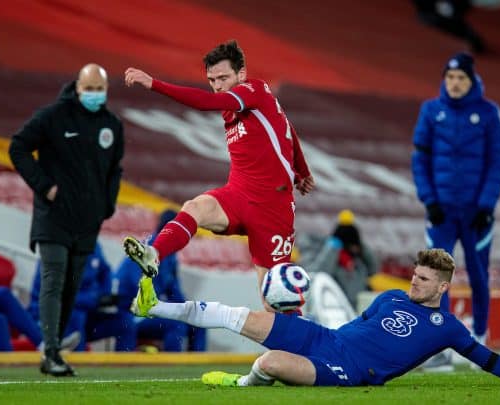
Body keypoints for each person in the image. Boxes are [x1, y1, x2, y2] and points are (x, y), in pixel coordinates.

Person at [129, 248, 500, 387]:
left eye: (423, 280)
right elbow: (361, 324)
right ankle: (153, 305)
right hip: (327, 339)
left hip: (349, 370)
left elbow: (487, 360)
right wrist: (310, 328)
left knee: (269, 363)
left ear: (443, 287)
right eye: (414, 275)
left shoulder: (446, 328)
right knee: (233, 314)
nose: (413, 284)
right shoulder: (391, 296)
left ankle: (242, 386)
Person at [122, 40, 314, 312]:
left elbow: (206, 102)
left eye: (224, 78)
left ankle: (304, 352)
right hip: (237, 194)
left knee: (275, 302)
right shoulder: (246, 107)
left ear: (241, 74)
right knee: (195, 207)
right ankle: (154, 254)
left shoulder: (253, 89)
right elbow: (287, 127)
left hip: (272, 209)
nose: (218, 85)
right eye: (212, 79)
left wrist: (154, 83)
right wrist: (302, 170)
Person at [8, 63, 124, 376]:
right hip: (53, 219)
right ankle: (50, 348)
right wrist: (44, 187)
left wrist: (107, 206)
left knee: (71, 287)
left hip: (87, 223)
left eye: (100, 90)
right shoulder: (52, 117)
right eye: (90, 89)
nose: (95, 95)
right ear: (77, 87)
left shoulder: (112, 126)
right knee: (54, 279)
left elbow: (115, 170)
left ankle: (53, 349)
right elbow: (17, 147)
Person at [411, 52, 500, 369]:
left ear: (471, 80)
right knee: (435, 277)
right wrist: (430, 200)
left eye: (460, 78)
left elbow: (497, 162)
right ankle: (440, 345)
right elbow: (420, 158)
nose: (454, 83)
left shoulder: (489, 113)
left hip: (476, 214)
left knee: (478, 274)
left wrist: (486, 205)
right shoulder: (431, 110)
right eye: (449, 77)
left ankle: (480, 338)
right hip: (441, 212)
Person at [114, 209, 206, 351]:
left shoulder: (170, 256)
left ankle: (198, 370)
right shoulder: (145, 251)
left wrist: (188, 310)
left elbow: (174, 292)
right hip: (135, 312)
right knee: (175, 325)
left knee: (199, 322)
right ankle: (172, 370)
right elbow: (135, 290)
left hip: (156, 309)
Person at [29, 242, 136, 352]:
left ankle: (127, 367)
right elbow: (59, 296)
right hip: (49, 319)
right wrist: (96, 300)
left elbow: (105, 271)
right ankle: (78, 365)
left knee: (125, 321)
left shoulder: (92, 243)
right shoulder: (55, 248)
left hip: (86, 313)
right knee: (76, 314)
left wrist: (106, 294)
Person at [304, 209, 377, 309]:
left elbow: (373, 270)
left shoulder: (359, 262)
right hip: (336, 310)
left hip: (358, 311)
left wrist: (363, 248)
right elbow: (320, 274)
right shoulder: (333, 259)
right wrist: (332, 250)